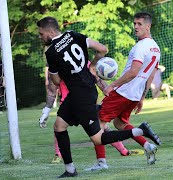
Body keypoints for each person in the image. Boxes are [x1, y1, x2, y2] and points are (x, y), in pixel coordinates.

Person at [37, 16, 160, 178]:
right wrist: (93, 64)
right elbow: (102, 49)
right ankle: (70, 169)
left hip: (92, 94)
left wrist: (111, 85)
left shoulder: (51, 52)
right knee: (60, 126)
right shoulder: (73, 35)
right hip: (99, 91)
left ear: (50, 31)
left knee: (98, 136)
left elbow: (56, 81)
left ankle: (134, 135)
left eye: (41, 34)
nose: (40, 37)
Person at [86, 12, 162, 171]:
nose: (135, 27)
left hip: (123, 92)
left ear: (148, 26)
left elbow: (134, 72)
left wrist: (111, 85)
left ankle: (101, 163)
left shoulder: (141, 46)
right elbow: (151, 74)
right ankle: (147, 145)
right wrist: (142, 97)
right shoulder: (156, 48)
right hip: (134, 95)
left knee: (98, 124)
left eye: (139, 24)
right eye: (134, 23)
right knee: (120, 124)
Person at [39, 63, 144, 164]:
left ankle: (122, 151)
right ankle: (123, 150)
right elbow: (53, 89)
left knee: (100, 128)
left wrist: (112, 97)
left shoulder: (83, 62)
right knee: (100, 129)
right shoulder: (61, 64)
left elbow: (98, 81)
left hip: (80, 104)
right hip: (74, 104)